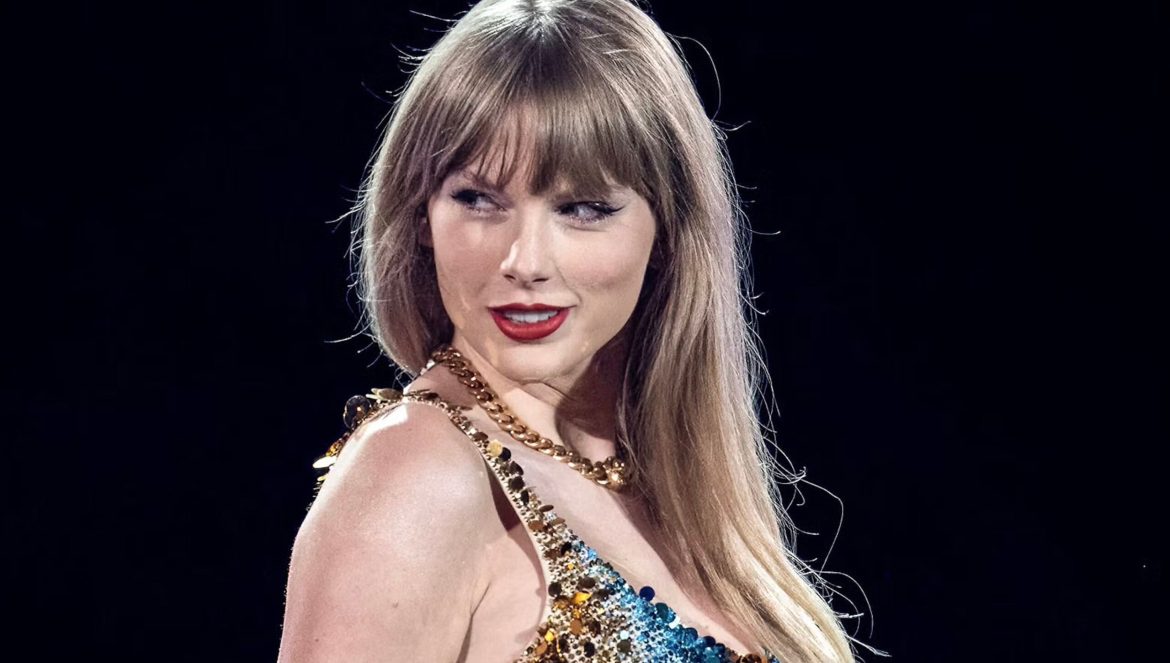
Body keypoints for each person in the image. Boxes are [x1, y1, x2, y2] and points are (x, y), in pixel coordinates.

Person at [278, 1, 870, 661]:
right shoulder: (415, 472)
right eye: (478, 199)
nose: (524, 260)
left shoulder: (672, 490)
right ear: (421, 216)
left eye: (582, 208)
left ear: (666, 233)